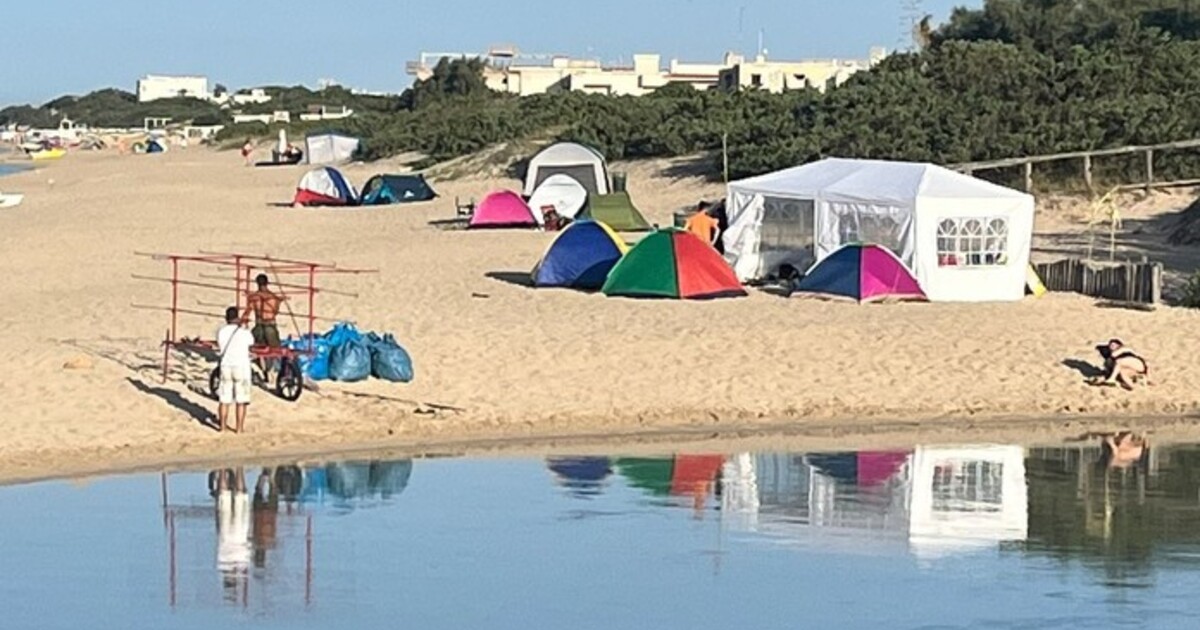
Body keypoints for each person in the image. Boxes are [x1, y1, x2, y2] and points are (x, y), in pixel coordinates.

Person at [242, 274, 287, 381]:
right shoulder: (273, 298)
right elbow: (275, 312)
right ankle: (273, 372)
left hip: (259, 326)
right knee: (274, 351)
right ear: (267, 283)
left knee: (257, 350)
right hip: (270, 325)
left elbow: (247, 313)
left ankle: (264, 371)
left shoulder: (254, 298)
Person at [217, 306, 255, 433]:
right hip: (241, 366)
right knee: (241, 399)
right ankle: (239, 428)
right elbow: (251, 342)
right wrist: (244, 326)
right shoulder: (243, 332)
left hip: (226, 365)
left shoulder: (221, 332)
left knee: (224, 399)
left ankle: (222, 426)